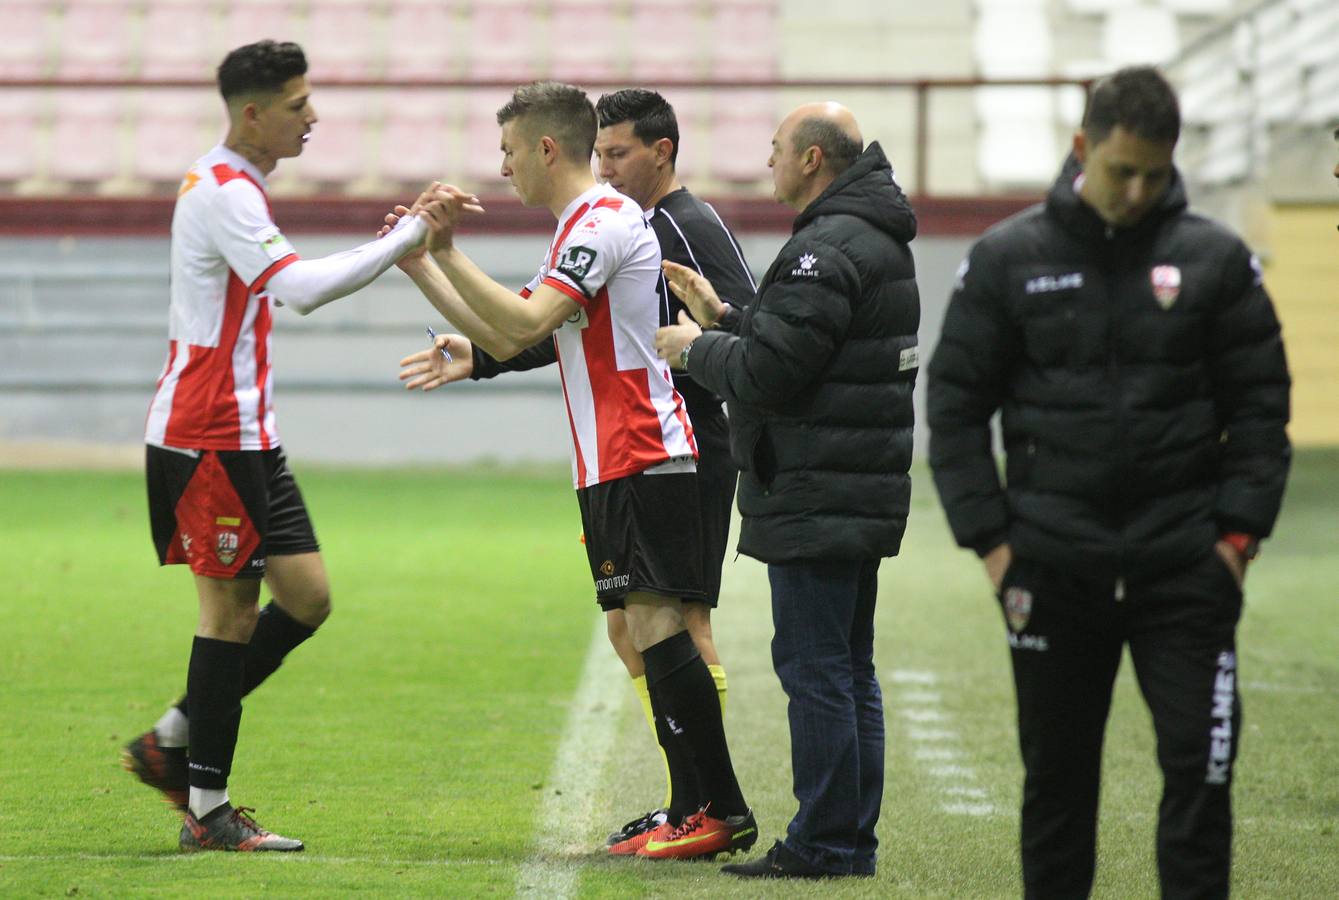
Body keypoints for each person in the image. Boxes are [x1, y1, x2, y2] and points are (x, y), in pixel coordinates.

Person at [927, 67, 1291, 899]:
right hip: (1050, 573)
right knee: (1055, 790)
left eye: (1153, 175)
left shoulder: (1215, 259)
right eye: (1120, 169)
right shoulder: (1006, 258)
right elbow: (952, 409)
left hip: (1187, 573)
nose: (1135, 191)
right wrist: (992, 546)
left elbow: (1262, 409)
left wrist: (1236, 539)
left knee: (1199, 782)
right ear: (1081, 146)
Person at [394, 80, 756, 861]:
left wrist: (447, 250)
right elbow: (504, 333)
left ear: (545, 149)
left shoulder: (605, 220)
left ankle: (716, 807)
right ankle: (691, 805)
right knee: (642, 626)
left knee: (662, 625)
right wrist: (423, 266)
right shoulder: (578, 228)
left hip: (645, 450)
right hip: (610, 460)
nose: (503, 167)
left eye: (508, 151)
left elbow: (520, 322)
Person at [126, 40, 428, 853]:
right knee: (228, 618)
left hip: (248, 435)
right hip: (208, 433)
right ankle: (208, 811)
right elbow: (295, 291)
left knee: (306, 598)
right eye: (298, 105)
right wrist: (408, 241)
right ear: (252, 113)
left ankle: (169, 741)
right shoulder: (224, 192)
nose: (314, 117)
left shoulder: (236, 188)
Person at [654, 102, 919, 879]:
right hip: (852, 483)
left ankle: (826, 843)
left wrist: (696, 347)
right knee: (845, 668)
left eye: (775, 149)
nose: (765, 161)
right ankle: (847, 838)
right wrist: (729, 312)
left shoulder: (824, 247)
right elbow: (805, 343)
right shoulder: (866, 236)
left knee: (816, 670)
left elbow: (773, 373)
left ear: (810, 160)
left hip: (817, 488)